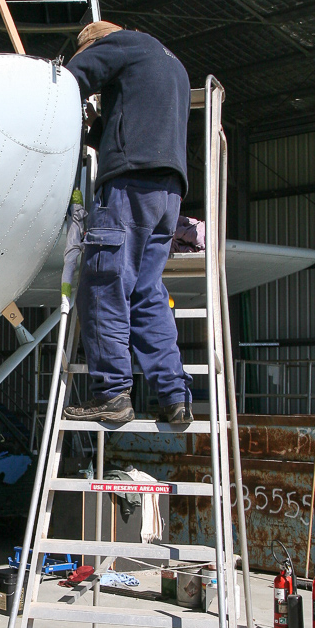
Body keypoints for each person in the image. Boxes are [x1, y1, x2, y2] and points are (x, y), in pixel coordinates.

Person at [63, 21, 193, 425]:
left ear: (100, 42)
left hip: (130, 186)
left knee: (103, 285)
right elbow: (128, 128)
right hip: (167, 193)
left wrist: (61, 99)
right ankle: (175, 396)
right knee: (146, 292)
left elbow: (73, 78)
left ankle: (113, 393)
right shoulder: (169, 63)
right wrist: (94, 127)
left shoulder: (123, 44)